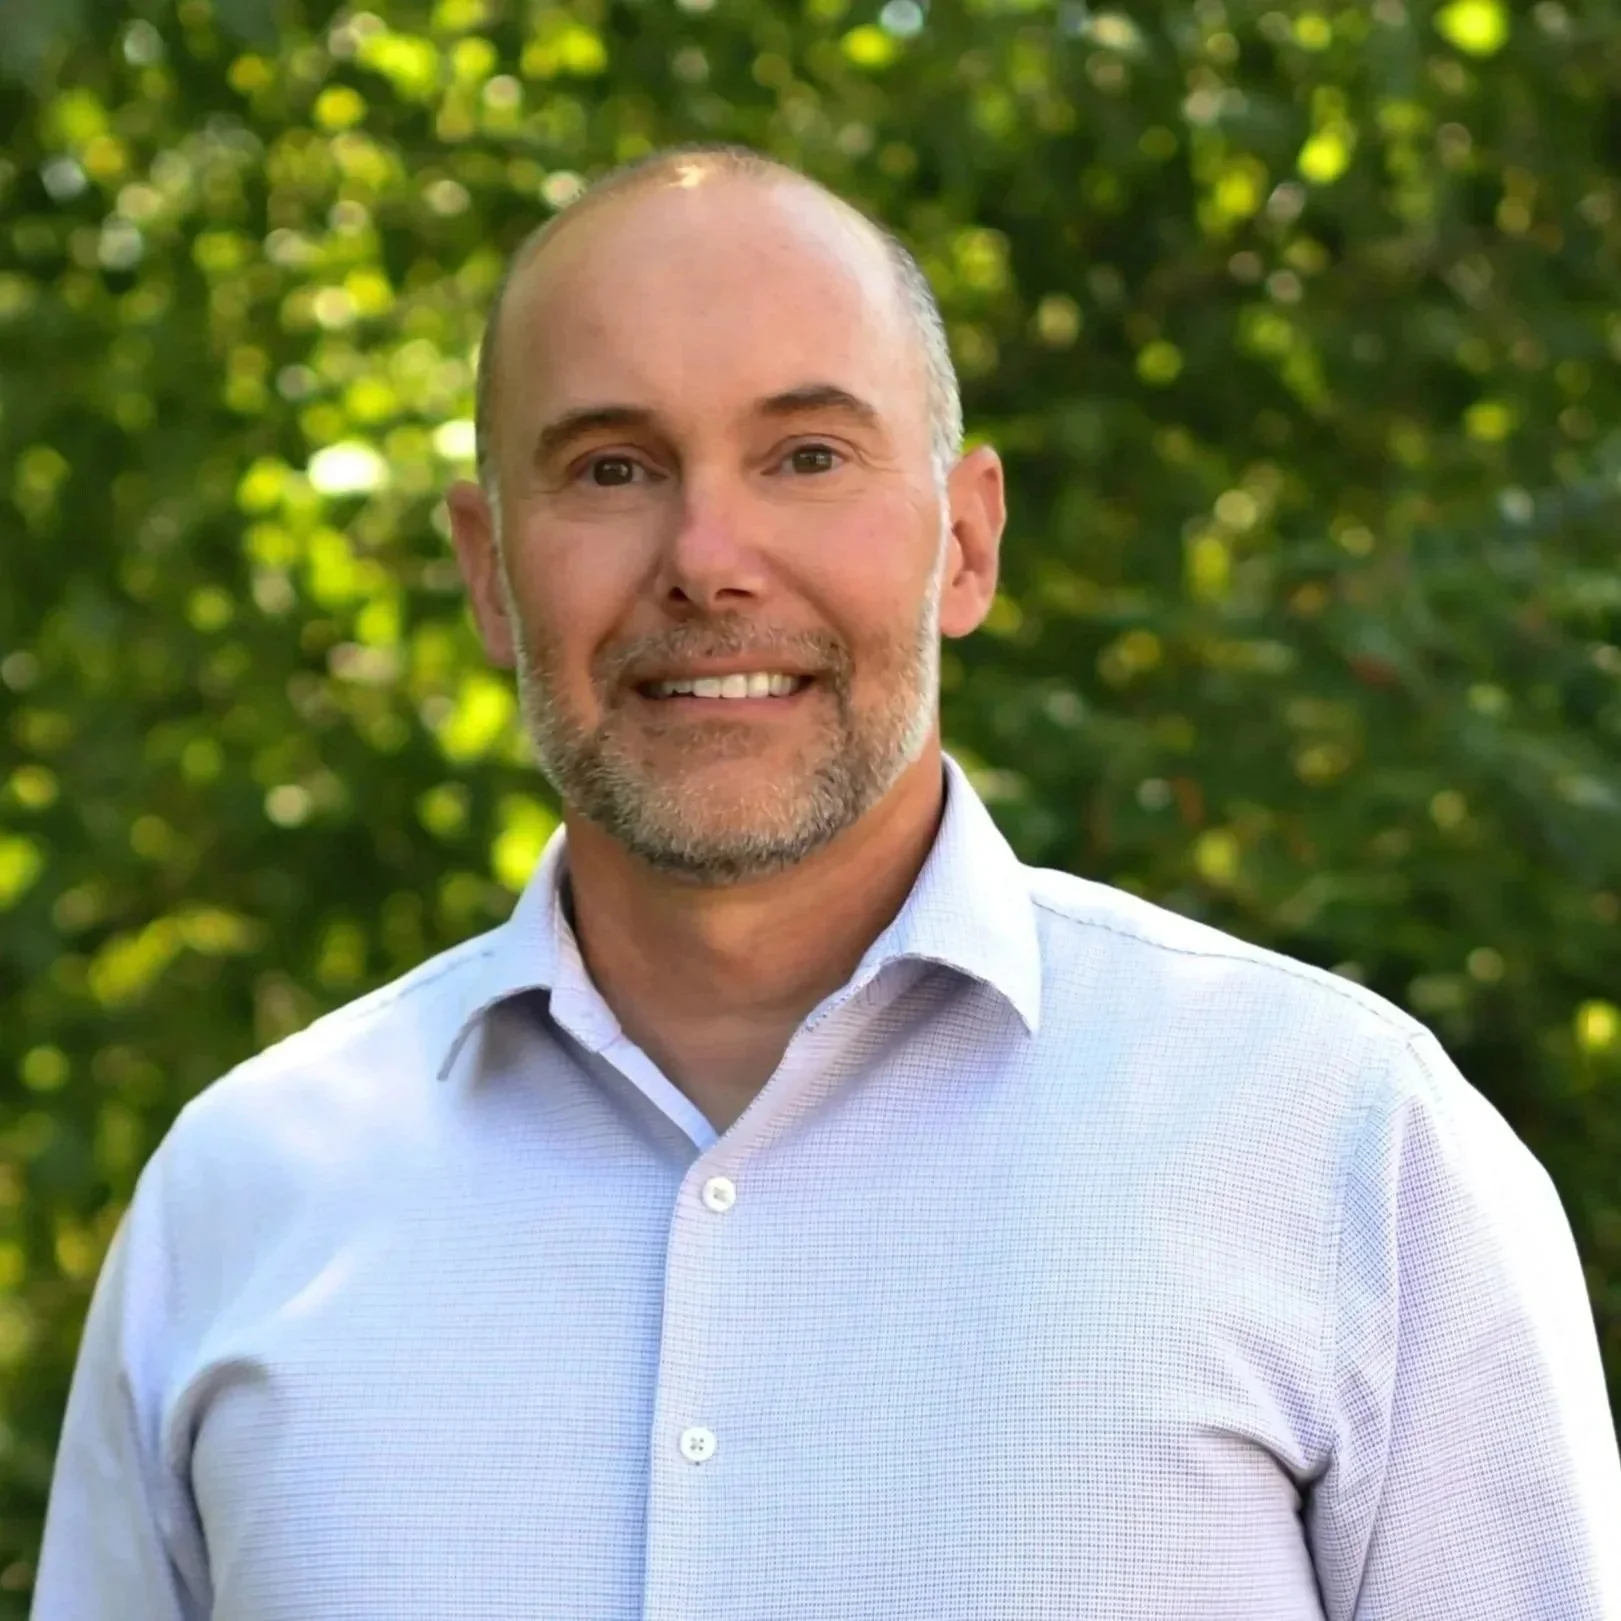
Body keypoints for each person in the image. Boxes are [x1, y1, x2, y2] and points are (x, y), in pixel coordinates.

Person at [32, 143, 1621, 1620]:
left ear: (966, 543)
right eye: (610, 469)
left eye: (806, 454)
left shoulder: (1343, 1147)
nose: (708, 559)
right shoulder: (240, 1201)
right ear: (488, 572)